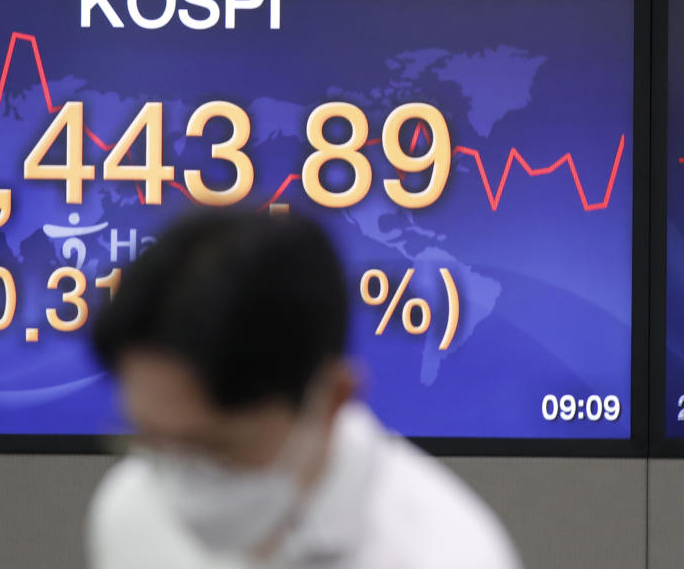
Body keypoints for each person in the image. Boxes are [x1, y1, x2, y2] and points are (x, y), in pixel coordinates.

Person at [87, 209, 522, 569]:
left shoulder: (445, 555)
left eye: (215, 448)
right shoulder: (129, 512)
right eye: (149, 439)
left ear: (332, 397)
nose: (178, 483)